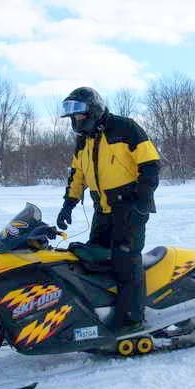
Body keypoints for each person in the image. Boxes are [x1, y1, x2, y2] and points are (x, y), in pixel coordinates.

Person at [56, 87, 160, 334]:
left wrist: (142, 203)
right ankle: (103, 310)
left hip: (129, 207)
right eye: (72, 117)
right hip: (102, 209)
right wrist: (68, 204)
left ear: (93, 111)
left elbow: (150, 164)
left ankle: (132, 320)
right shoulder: (84, 139)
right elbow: (77, 174)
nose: (75, 121)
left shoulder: (125, 128)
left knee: (125, 262)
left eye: (78, 115)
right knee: (96, 260)